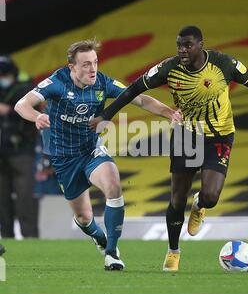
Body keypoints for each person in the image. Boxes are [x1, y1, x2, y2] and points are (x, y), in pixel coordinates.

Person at [90, 26, 248, 271]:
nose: (182, 50)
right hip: (187, 135)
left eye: (188, 45)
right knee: (177, 199)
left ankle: (200, 205)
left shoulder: (224, 64)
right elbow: (134, 89)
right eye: (179, 45)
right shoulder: (169, 68)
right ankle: (173, 251)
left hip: (219, 134)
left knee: (210, 197)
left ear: (200, 45)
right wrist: (105, 116)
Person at [14, 39, 181, 271]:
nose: (92, 69)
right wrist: (36, 117)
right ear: (72, 67)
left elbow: (140, 99)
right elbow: (22, 104)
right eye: (85, 65)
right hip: (63, 158)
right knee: (84, 218)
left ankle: (111, 253)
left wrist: (168, 112)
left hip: (91, 149)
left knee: (113, 185)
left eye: (95, 62)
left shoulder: (102, 83)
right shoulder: (57, 82)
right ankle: (99, 237)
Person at [0, 55, 39, 238]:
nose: (2, 78)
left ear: (12, 73)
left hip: (21, 151)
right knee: (2, 200)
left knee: (25, 199)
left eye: (4, 74)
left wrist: (7, 110)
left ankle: (31, 239)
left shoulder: (27, 88)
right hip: (2, 152)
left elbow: (34, 113)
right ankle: (7, 239)